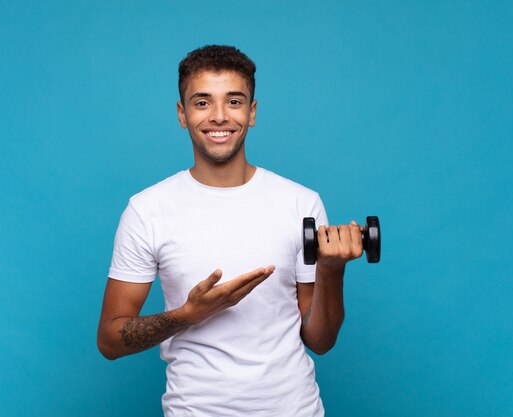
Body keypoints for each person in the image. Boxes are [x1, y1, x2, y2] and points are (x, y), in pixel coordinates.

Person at [97, 45, 365, 417]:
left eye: (234, 101)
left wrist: (332, 270)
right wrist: (188, 314)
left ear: (252, 112)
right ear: (182, 114)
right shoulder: (147, 210)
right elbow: (110, 340)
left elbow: (319, 341)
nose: (219, 117)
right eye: (202, 102)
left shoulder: (301, 203)